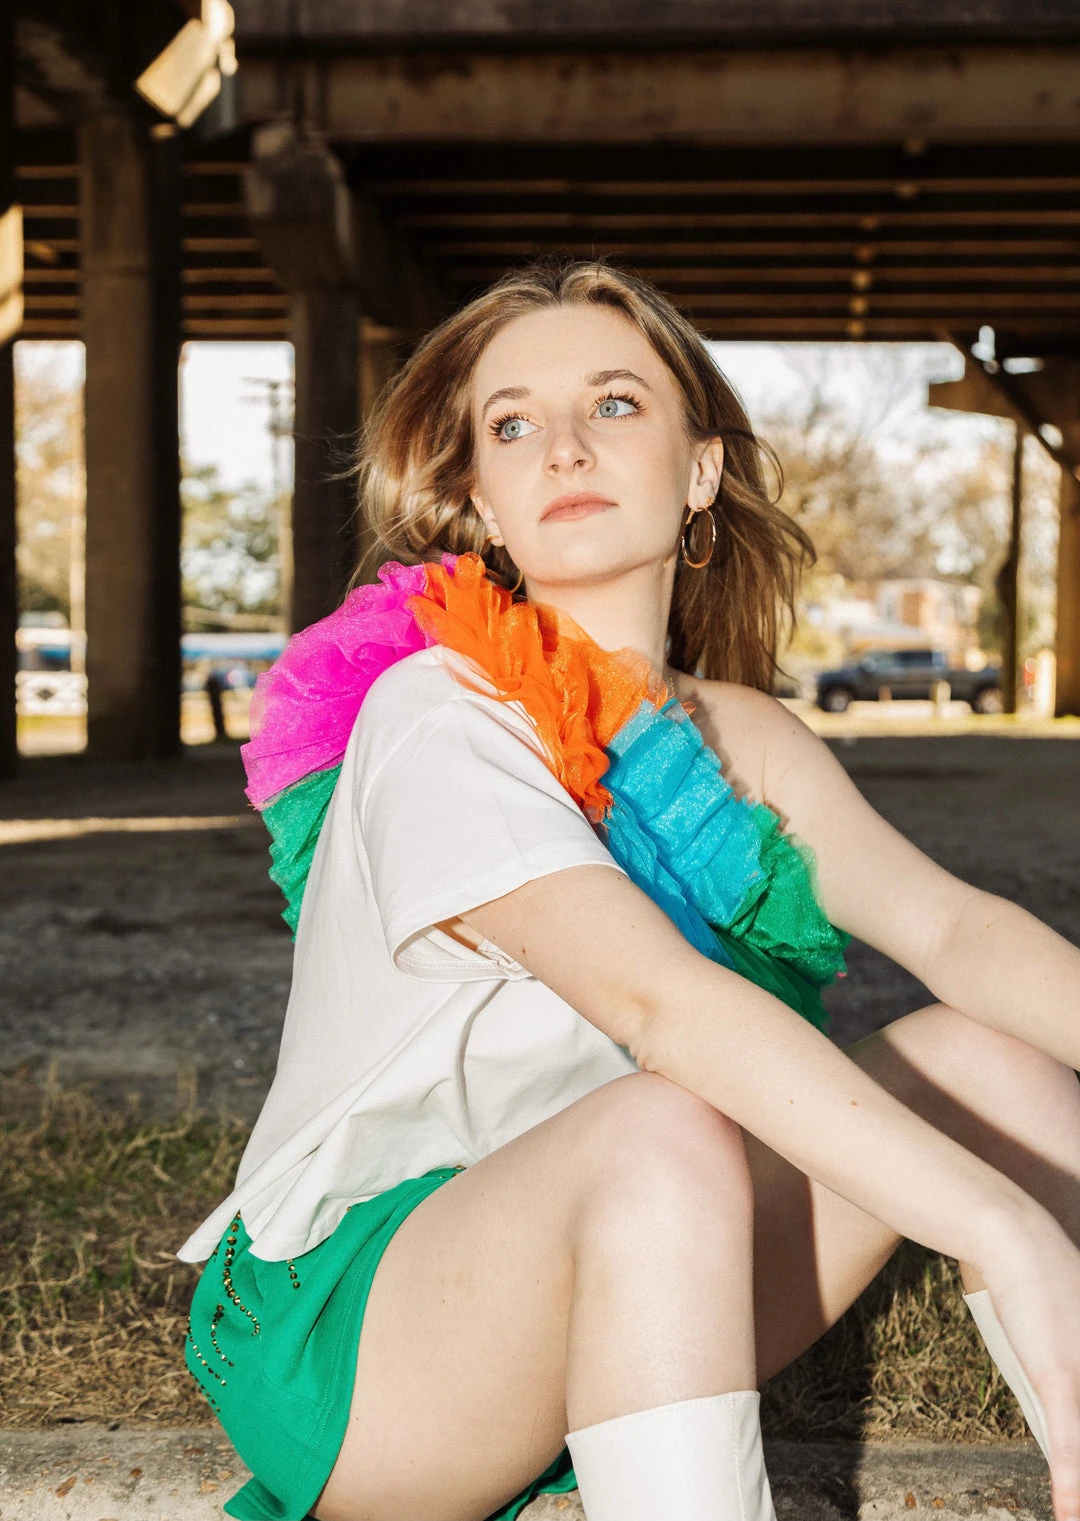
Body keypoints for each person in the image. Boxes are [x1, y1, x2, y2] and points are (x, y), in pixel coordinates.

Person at [176, 260, 1080, 1521]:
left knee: (996, 1065)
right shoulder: (436, 710)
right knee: (667, 1122)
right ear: (481, 502)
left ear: (700, 471)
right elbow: (659, 1006)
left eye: (613, 404)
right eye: (512, 425)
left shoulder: (744, 736)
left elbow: (956, 928)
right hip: (368, 1335)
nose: (562, 447)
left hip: (654, 1268)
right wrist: (1002, 1225)